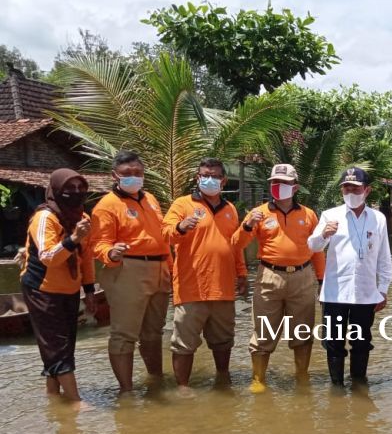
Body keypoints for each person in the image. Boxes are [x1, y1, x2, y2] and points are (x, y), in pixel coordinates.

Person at [232, 163, 324, 392]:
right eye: (274, 182)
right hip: (269, 276)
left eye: (283, 183)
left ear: (295, 187)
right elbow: (237, 244)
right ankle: (258, 379)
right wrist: (247, 225)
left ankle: (302, 375)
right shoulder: (258, 213)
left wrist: (322, 280)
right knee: (263, 330)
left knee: (303, 332)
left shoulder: (308, 214)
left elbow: (317, 250)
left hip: (302, 277)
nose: (278, 186)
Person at [162, 158, 248, 392]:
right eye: (204, 175)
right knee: (183, 343)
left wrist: (242, 273)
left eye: (214, 176)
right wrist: (180, 227)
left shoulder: (230, 209)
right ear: (197, 177)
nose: (209, 179)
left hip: (223, 287)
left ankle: (223, 378)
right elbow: (165, 234)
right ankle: (182, 387)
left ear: (223, 180)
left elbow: (235, 245)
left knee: (223, 339)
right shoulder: (182, 204)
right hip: (191, 288)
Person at [91, 150, 171, 392]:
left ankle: (155, 380)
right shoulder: (107, 206)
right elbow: (98, 243)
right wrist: (111, 253)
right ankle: (125, 390)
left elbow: (163, 235)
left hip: (160, 268)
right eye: (127, 174)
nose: (134, 177)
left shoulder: (151, 199)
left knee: (153, 331)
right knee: (124, 334)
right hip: (128, 269)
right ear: (115, 175)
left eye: (138, 172)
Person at [308, 167, 392, 386]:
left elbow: (384, 256)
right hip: (335, 293)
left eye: (355, 188)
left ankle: (358, 384)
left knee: (362, 342)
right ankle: (336, 386)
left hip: (365, 294)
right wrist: (324, 234)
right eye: (346, 187)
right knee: (333, 342)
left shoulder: (378, 219)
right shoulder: (330, 215)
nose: (350, 192)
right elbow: (313, 246)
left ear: (367, 190)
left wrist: (383, 288)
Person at [19, 169, 96, 407]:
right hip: (42, 289)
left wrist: (90, 290)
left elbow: (87, 257)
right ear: (55, 191)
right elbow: (48, 257)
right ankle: (75, 402)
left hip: (69, 290)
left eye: (80, 188)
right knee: (57, 345)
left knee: (62, 345)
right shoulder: (45, 218)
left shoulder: (80, 216)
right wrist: (73, 238)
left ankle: (53, 397)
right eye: (69, 189)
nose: (75, 193)